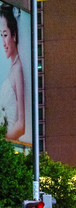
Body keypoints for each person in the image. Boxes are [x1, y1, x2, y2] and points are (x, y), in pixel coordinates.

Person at [0, 4, 25, 140]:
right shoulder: (12, 68)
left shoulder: (18, 69)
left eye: (5, 35)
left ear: (14, 35)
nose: (3, 42)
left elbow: (21, 124)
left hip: (11, 145)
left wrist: (4, 142)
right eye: (1, 36)